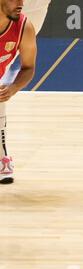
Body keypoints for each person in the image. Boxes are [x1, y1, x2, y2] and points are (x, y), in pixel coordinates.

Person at [0, 0, 37, 184]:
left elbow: (28, 67)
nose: (21, 3)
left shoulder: (24, 27)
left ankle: (2, 158)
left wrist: (13, 88)